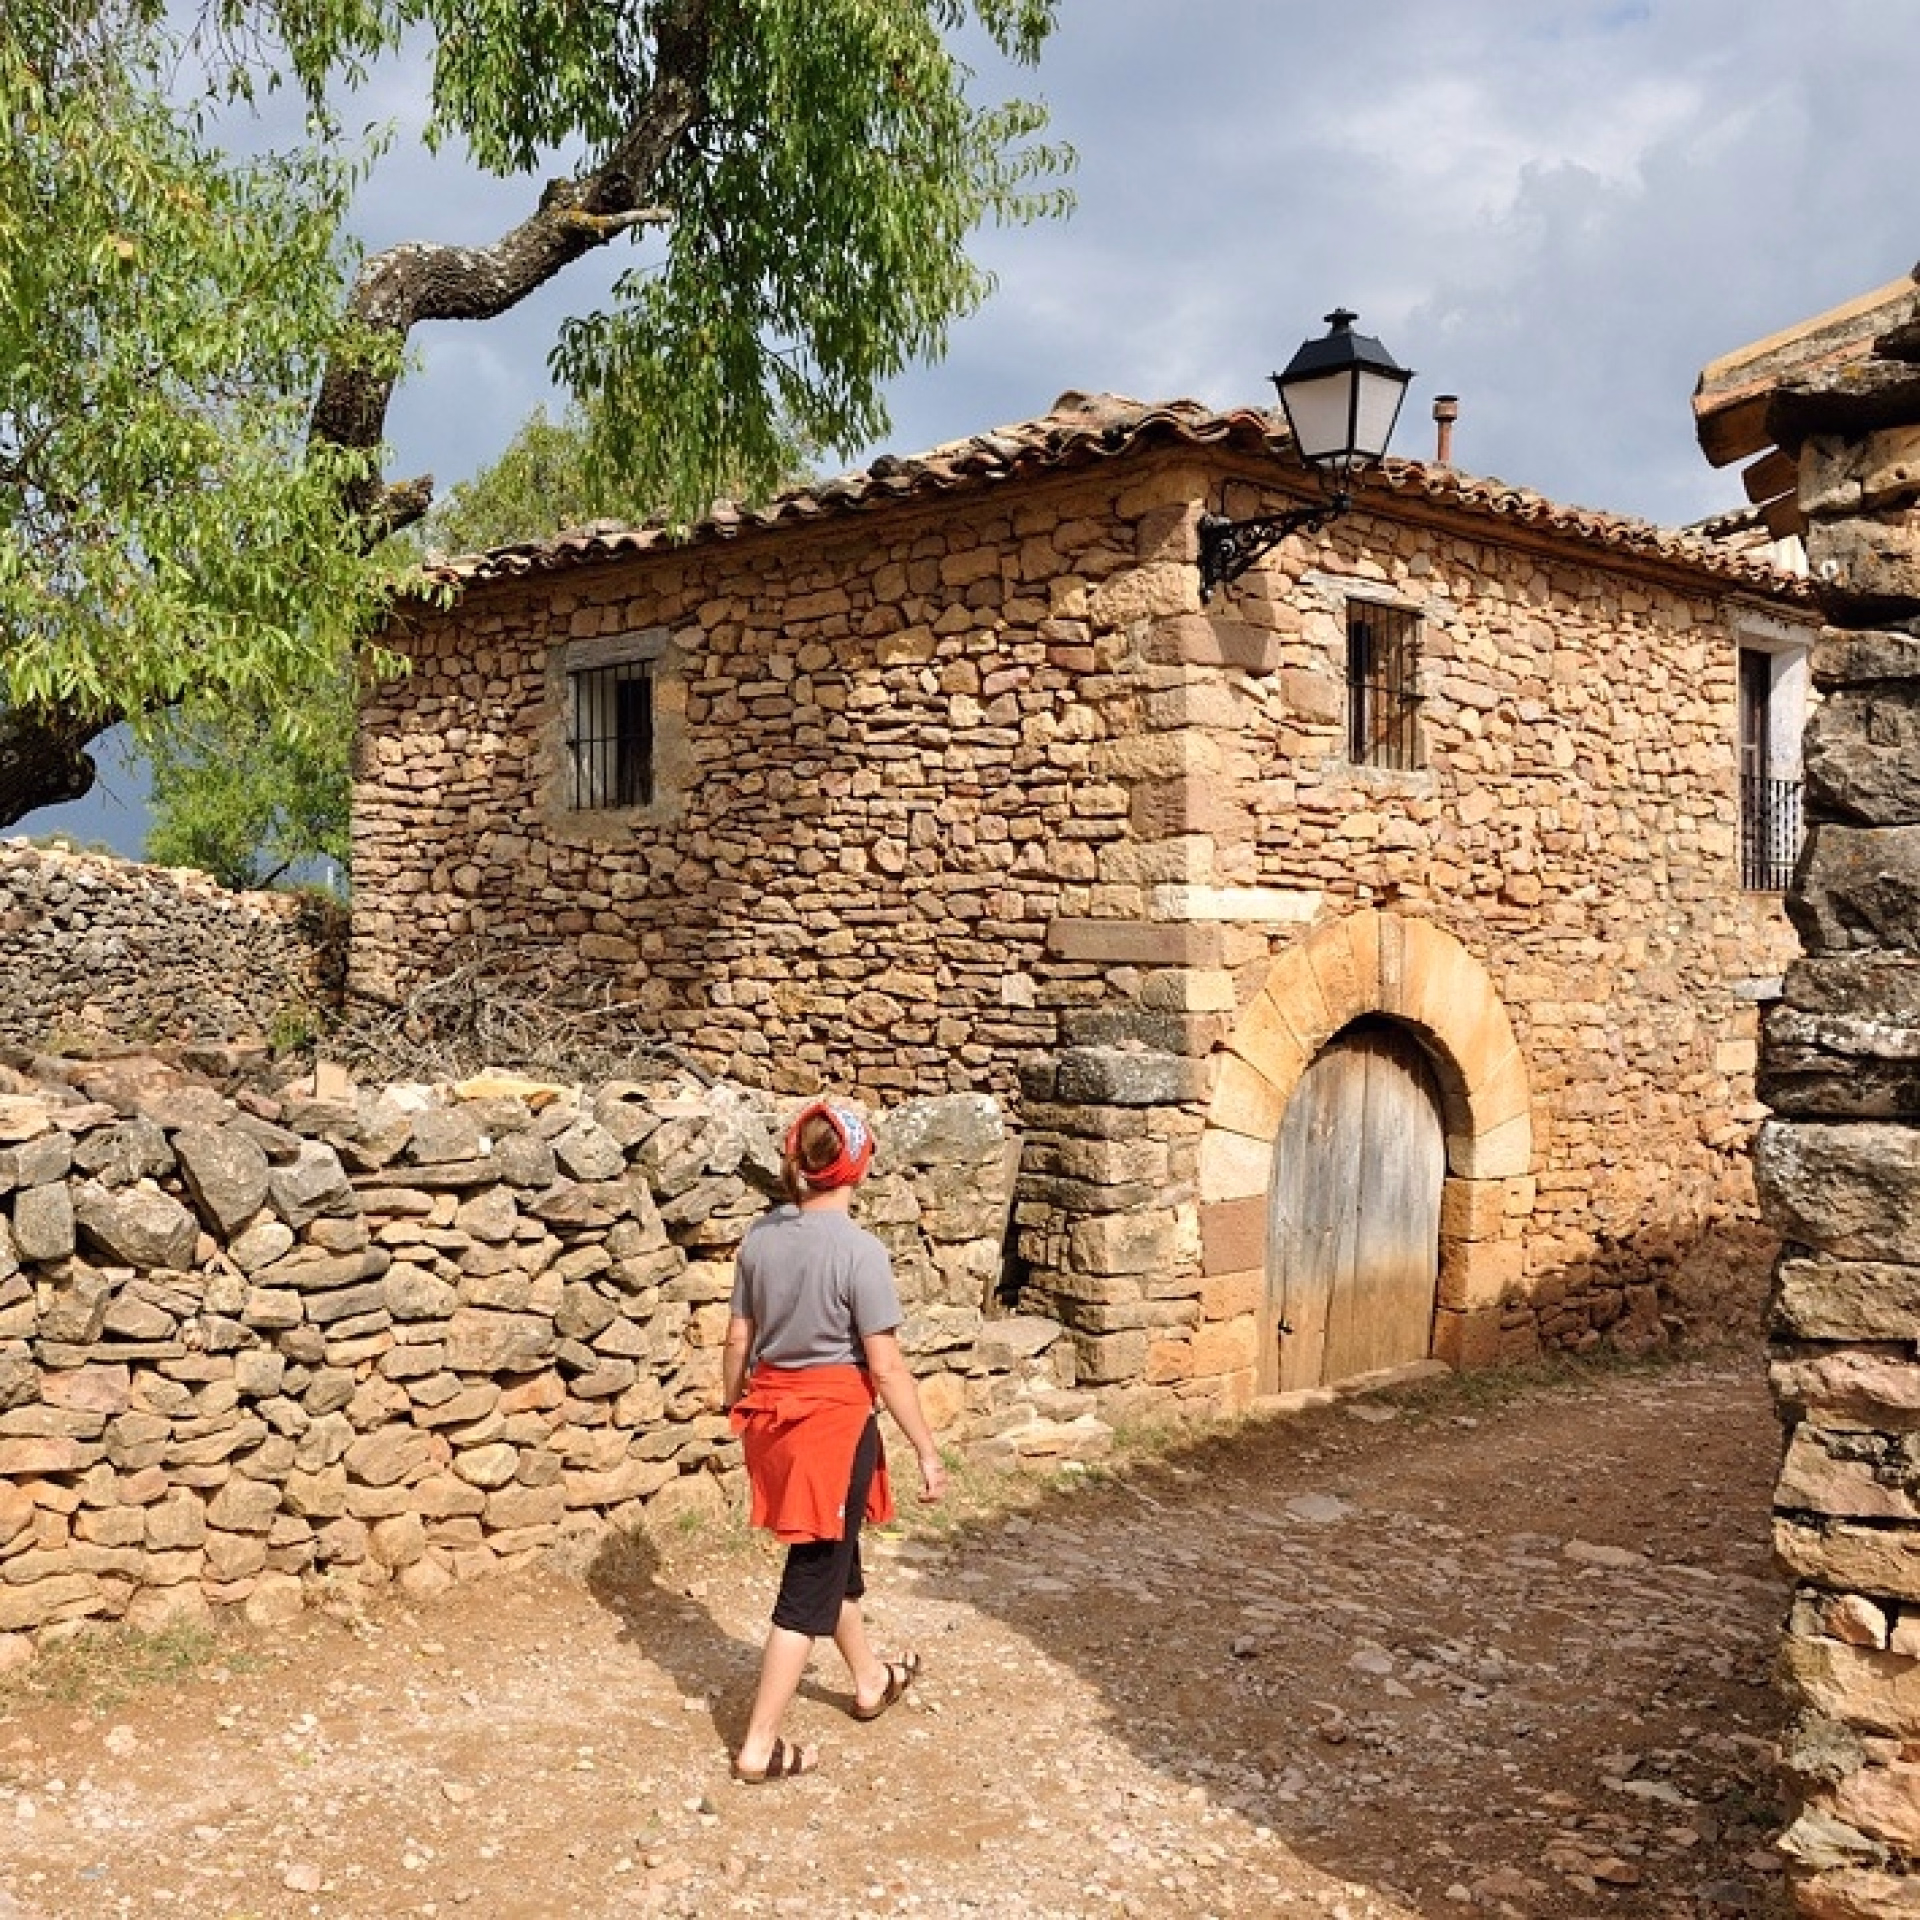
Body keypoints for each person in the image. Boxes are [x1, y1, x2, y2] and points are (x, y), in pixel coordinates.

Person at [721, 1099, 948, 1783]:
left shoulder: (759, 1240)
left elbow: (739, 1339)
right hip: (833, 1431)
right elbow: (884, 1367)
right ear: (858, 1167)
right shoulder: (860, 1252)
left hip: (774, 1421)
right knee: (809, 1585)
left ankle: (871, 1678)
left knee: (833, 1558)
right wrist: (927, 1450)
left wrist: (733, 1397)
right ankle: (760, 1745)